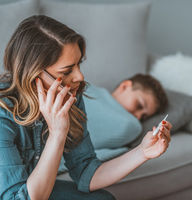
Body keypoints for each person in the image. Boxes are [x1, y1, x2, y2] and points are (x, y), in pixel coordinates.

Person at [0, 15, 172, 200]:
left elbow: (87, 173)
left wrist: (142, 152)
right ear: (34, 73)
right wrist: (57, 133)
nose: (80, 77)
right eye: (67, 71)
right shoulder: (3, 113)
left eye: (78, 64)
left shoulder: (70, 95)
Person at [80, 74, 169, 162]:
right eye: (139, 105)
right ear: (125, 86)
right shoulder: (87, 89)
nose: (138, 117)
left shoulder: (127, 128)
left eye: (143, 117)